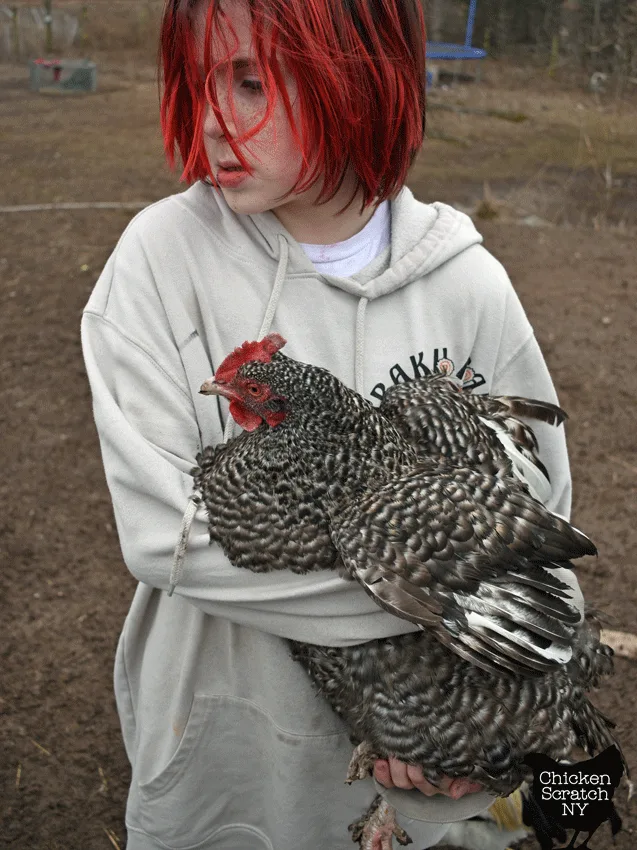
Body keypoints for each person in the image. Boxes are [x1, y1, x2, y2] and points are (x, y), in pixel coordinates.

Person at [81, 0, 580, 848]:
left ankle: (572, 792)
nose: (211, 120)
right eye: (198, 83)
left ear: (354, 75)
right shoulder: (160, 261)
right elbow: (163, 534)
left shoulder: (469, 287)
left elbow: (544, 524)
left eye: (247, 81)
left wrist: (503, 681)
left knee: (568, 793)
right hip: (226, 751)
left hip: (426, 749)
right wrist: (437, 596)